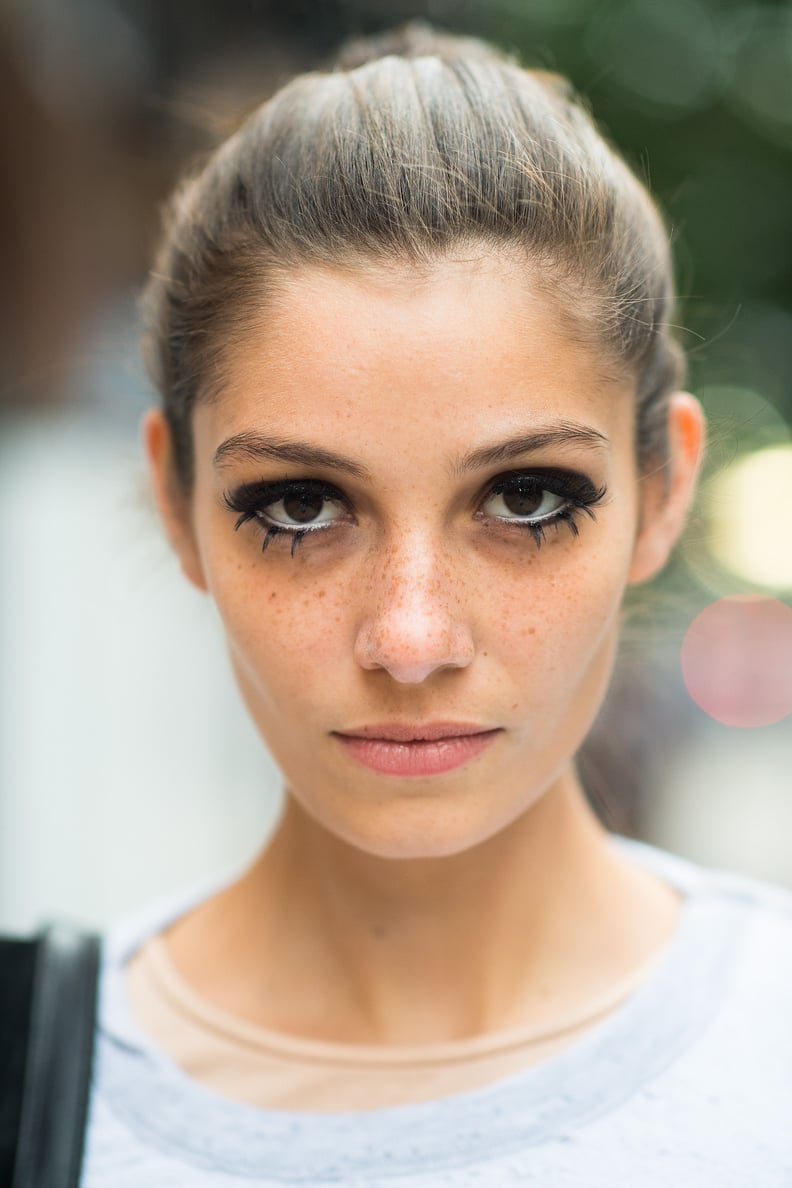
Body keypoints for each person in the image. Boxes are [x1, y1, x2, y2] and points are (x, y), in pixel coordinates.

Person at [81, 23, 792, 1186]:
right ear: (175, 498)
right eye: (300, 506)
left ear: (662, 491)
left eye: (527, 497)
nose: (411, 639)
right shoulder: (38, 1077)